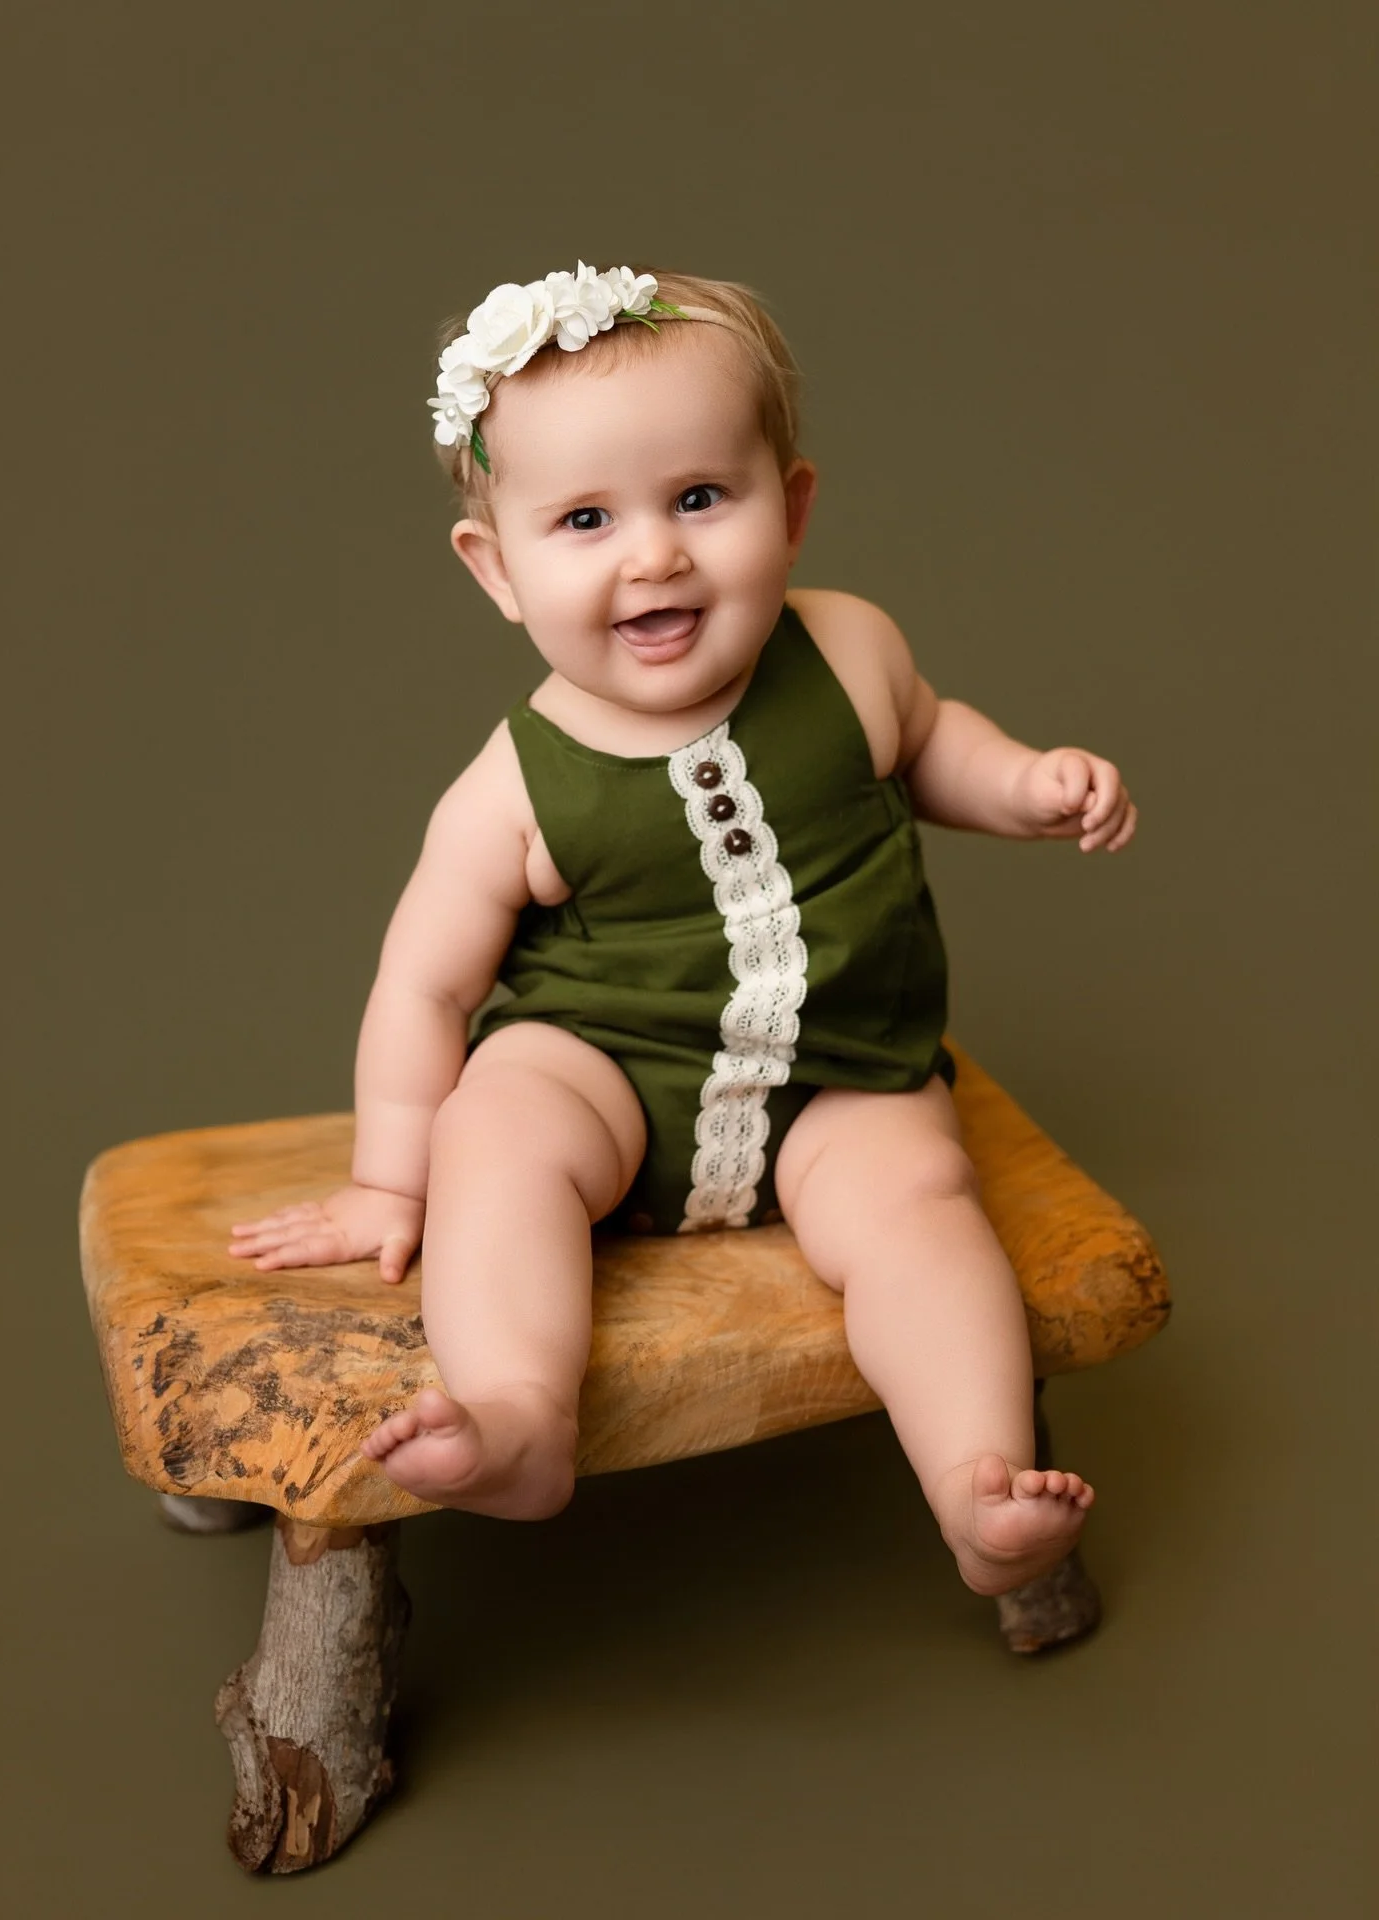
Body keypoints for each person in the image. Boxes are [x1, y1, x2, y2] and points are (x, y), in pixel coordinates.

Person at [228, 264, 1136, 1597]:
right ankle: (520, 1417)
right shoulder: (511, 791)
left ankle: (976, 1485)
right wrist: (388, 1181)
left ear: (794, 507)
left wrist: (1024, 784)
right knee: (499, 1128)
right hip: (609, 1075)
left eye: (701, 498)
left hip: (842, 1075)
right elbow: (424, 989)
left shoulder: (852, 652)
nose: (653, 554)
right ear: (497, 568)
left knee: (922, 1208)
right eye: (586, 518)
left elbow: (931, 740)